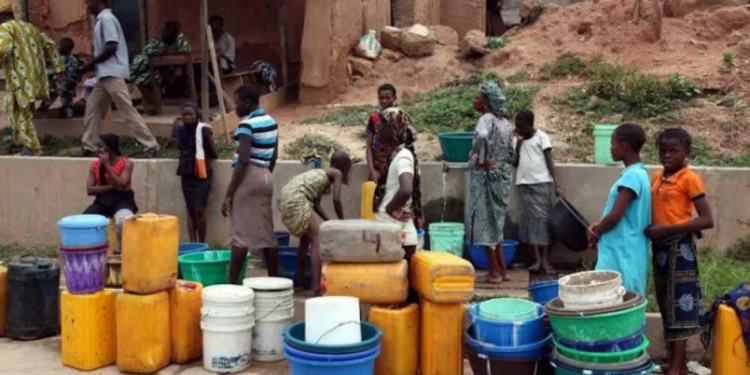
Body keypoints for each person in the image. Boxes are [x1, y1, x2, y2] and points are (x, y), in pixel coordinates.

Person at [646, 128, 713, 375]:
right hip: (660, 247)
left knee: (680, 308)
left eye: (673, 151)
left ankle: (676, 367)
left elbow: (706, 219)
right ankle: (676, 363)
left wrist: (667, 228)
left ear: (687, 152)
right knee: (666, 305)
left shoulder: (689, 179)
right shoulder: (656, 177)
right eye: (663, 151)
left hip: (678, 248)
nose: (667, 156)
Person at [79, 0, 159, 158]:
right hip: (104, 75)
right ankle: (90, 145)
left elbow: (112, 46)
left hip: (112, 73)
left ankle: (150, 145)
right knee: (93, 109)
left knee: (126, 109)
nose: (87, 7)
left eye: (89, 3)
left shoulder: (107, 19)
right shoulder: (102, 20)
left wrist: (91, 64)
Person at [222, 85, 278, 285]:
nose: (234, 107)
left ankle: (231, 285)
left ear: (247, 102)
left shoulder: (247, 124)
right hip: (265, 176)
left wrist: (229, 194)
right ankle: (274, 281)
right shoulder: (271, 121)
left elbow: (243, 160)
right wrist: (264, 174)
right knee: (266, 233)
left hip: (248, 177)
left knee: (240, 235)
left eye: (236, 102)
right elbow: (274, 156)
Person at [588, 123, 651, 294]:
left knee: (616, 299)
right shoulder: (640, 174)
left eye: (612, 143)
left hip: (621, 251)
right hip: (629, 248)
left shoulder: (632, 176)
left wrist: (596, 233)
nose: (610, 148)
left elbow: (615, 215)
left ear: (624, 146)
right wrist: (600, 225)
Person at [278, 152, 352, 292]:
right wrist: (342, 221)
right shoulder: (337, 173)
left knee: (305, 241)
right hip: (297, 199)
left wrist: (329, 221)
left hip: (286, 198)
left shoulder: (320, 173)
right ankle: (317, 286)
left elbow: (316, 205)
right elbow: (336, 199)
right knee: (316, 240)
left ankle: (299, 282)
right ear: (343, 166)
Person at [0, 2, 64, 156]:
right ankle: (21, 142)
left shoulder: (5, 28)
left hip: (19, 80)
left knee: (18, 113)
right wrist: (58, 69)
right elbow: (51, 45)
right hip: (35, 80)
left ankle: (34, 149)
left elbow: (4, 49)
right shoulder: (30, 28)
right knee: (24, 111)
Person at [469, 81, 515, 284]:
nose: (474, 100)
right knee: (497, 225)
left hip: (487, 177)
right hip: (502, 176)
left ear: (487, 103)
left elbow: (481, 136)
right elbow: (512, 152)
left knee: (486, 224)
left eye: (477, 97)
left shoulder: (485, 120)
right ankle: (503, 271)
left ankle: (494, 273)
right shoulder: (505, 123)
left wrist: (480, 160)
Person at [373, 107, 423, 291]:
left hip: (396, 233)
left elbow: (406, 189)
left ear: (393, 128)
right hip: (392, 231)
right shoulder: (397, 154)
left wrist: (389, 209)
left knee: (399, 292)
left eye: (381, 123)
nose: (377, 126)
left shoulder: (403, 157)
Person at [513, 109, 559, 274]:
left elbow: (549, 160)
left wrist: (556, 184)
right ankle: (537, 260)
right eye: (516, 126)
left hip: (541, 184)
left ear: (529, 124)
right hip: (524, 185)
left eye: (521, 126)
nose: (518, 129)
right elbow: (515, 162)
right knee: (530, 225)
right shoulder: (517, 140)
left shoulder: (542, 137)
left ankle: (546, 260)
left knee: (544, 223)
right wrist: (517, 143)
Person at [83, 134, 138, 254]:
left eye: (100, 146)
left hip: (122, 201)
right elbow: (90, 190)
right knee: (84, 222)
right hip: (102, 201)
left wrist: (107, 165)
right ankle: (96, 249)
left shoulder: (126, 163)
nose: (97, 149)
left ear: (109, 148)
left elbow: (122, 186)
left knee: (123, 223)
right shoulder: (95, 166)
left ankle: (119, 249)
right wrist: (113, 186)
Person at [173, 102, 218, 243]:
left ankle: (202, 242)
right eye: (184, 115)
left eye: (190, 114)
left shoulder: (204, 130)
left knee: (199, 209)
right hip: (187, 172)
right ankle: (193, 243)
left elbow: (213, 152)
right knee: (190, 209)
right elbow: (175, 144)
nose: (188, 117)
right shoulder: (178, 131)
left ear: (196, 115)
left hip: (201, 172)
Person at [129, 21, 192, 114]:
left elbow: (186, 50)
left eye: (168, 31)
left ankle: (154, 106)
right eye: (164, 31)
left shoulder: (179, 39)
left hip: (168, 70)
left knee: (147, 80)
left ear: (174, 32)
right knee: (141, 80)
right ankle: (154, 105)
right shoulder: (157, 40)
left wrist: (168, 53)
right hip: (151, 68)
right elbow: (147, 51)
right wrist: (158, 51)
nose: (165, 33)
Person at [39, 37, 84, 119]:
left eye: (59, 46)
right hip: (56, 86)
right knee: (45, 104)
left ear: (64, 48)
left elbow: (72, 77)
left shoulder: (72, 61)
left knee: (68, 109)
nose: (57, 48)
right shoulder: (61, 59)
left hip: (64, 87)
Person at [366, 84, 398, 182]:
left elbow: (400, 144)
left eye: (388, 98)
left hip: (395, 164)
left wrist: (388, 163)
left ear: (394, 98)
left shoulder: (399, 117)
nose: (384, 101)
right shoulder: (374, 117)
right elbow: (368, 146)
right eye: (381, 98)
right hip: (378, 165)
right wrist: (372, 170)